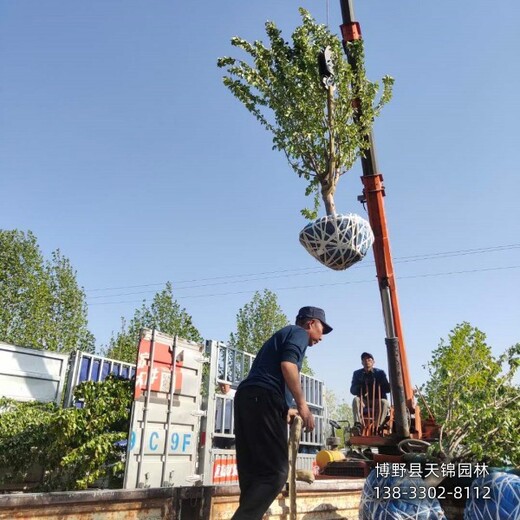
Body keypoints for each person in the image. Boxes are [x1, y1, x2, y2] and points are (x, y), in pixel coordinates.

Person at [231, 306, 333, 520]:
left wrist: (285, 409)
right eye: (322, 329)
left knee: (253, 475)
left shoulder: (283, 335)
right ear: (310, 323)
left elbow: (270, 374)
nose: (321, 337)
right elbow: (288, 366)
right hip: (264, 398)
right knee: (276, 474)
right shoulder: (298, 333)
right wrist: (303, 405)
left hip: (247, 398)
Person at [350, 352, 390, 435]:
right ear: (362, 362)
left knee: (384, 402)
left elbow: (387, 389)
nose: (367, 361)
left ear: (373, 362)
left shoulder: (380, 373)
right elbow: (352, 390)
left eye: (369, 359)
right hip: (364, 401)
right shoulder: (357, 374)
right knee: (356, 400)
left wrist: (383, 383)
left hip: (377, 400)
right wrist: (359, 386)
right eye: (364, 359)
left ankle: (378, 425)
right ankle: (358, 425)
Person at [214, 381, 236, 449]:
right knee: (218, 452)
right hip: (219, 429)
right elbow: (216, 411)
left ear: (229, 384)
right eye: (220, 385)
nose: (222, 387)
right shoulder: (217, 396)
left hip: (231, 429)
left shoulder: (235, 394)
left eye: (224, 385)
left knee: (230, 453)